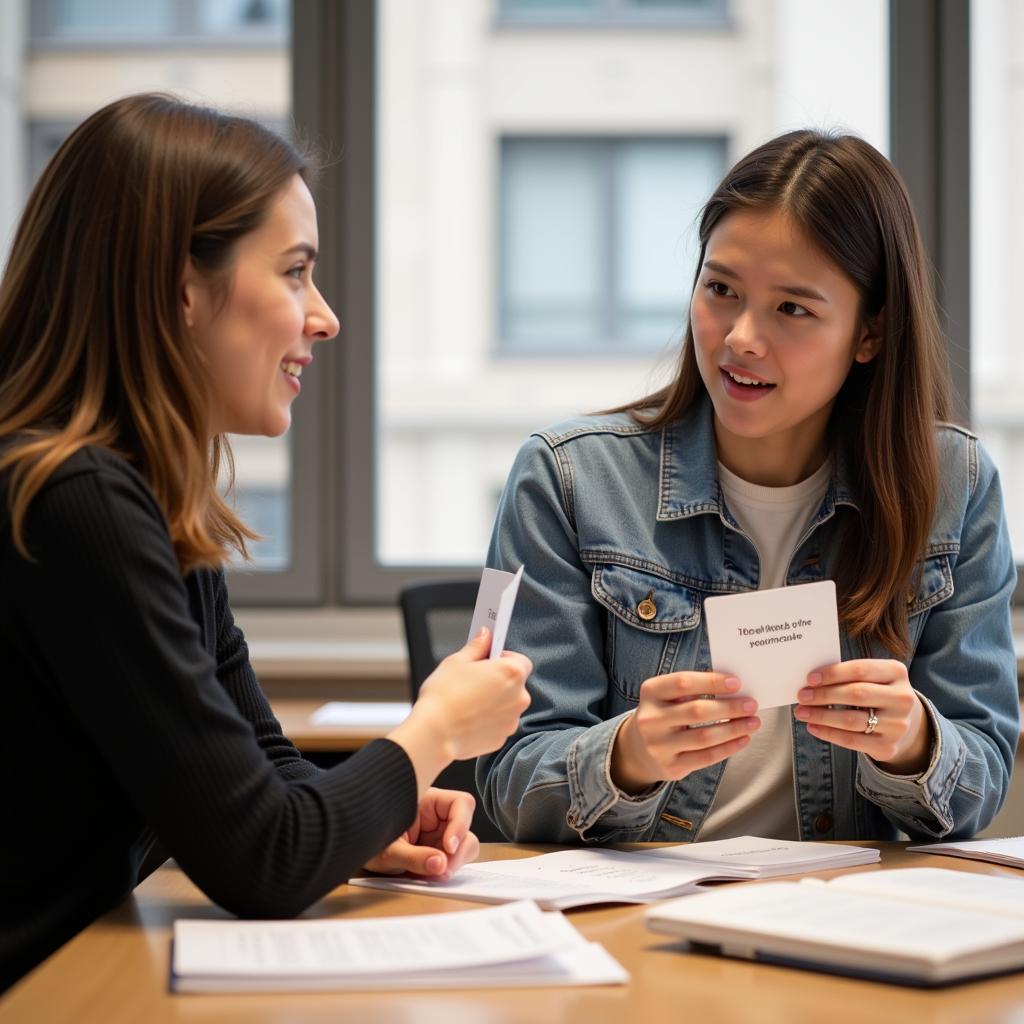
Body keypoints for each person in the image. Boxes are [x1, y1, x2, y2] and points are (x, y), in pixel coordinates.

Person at [0, 93, 531, 991]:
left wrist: (374, 813)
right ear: (182, 290)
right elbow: (263, 859)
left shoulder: (149, 496)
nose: (322, 317)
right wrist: (431, 733)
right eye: (293, 272)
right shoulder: (74, 500)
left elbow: (265, 780)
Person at [479, 129, 1018, 846]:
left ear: (870, 333)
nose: (740, 337)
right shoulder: (565, 478)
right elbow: (506, 776)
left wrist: (916, 740)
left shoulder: (957, 484)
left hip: (848, 916)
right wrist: (631, 754)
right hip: (644, 916)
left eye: (792, 309)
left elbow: (982, 773)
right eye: (721, 289)